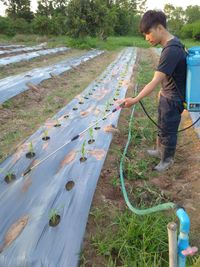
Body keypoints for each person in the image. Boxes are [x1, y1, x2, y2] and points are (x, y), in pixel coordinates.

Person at [117, 10, 187, 172]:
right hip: (167, 94)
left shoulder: (172, 50)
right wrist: (162, 92)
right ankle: (159, 151)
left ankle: (167, 160)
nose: (147, 38)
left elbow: (154, 81)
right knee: (162, 124)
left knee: (168, 129)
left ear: (160, 28)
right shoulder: (171, 45)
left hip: (173, 98)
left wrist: (134, 100)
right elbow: (167, 77)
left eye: (148, 33)